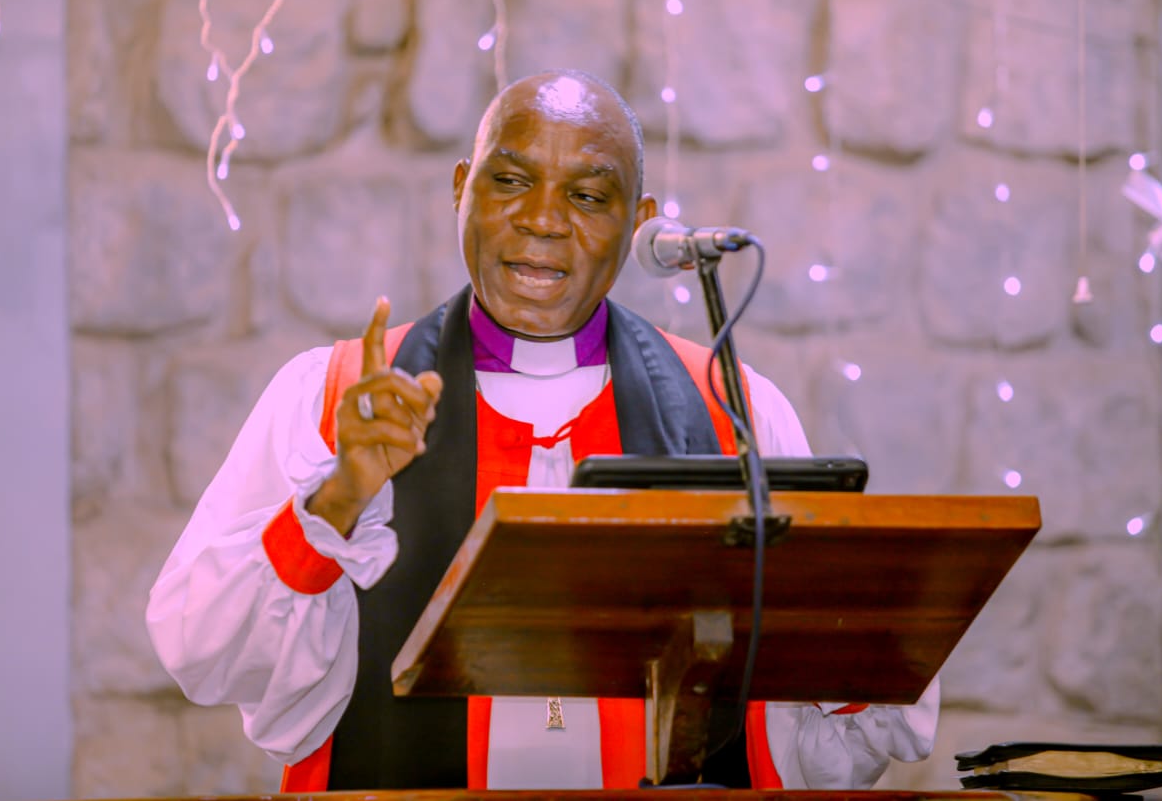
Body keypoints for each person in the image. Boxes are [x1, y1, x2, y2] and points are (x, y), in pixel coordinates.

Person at [146, 69, 938, 792]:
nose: (543, 220)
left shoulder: (733, 409)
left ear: (639, 222)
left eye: (588, 196)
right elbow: (203, 650)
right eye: (510, 180)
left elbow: (818, 727)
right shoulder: (333, 395)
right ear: (461, 188)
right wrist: (336, 500)